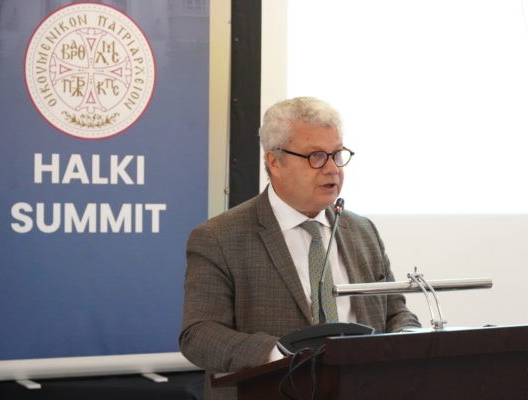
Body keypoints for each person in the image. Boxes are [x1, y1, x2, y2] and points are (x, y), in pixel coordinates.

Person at [179, 97, 420, 400]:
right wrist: (276, 353)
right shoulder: (219, 237)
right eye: (316, 156)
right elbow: (199, 335)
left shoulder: (362, 231)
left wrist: (407, 339)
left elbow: (396, 313)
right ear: (274, 162)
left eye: (337, 154)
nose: (332, 169)